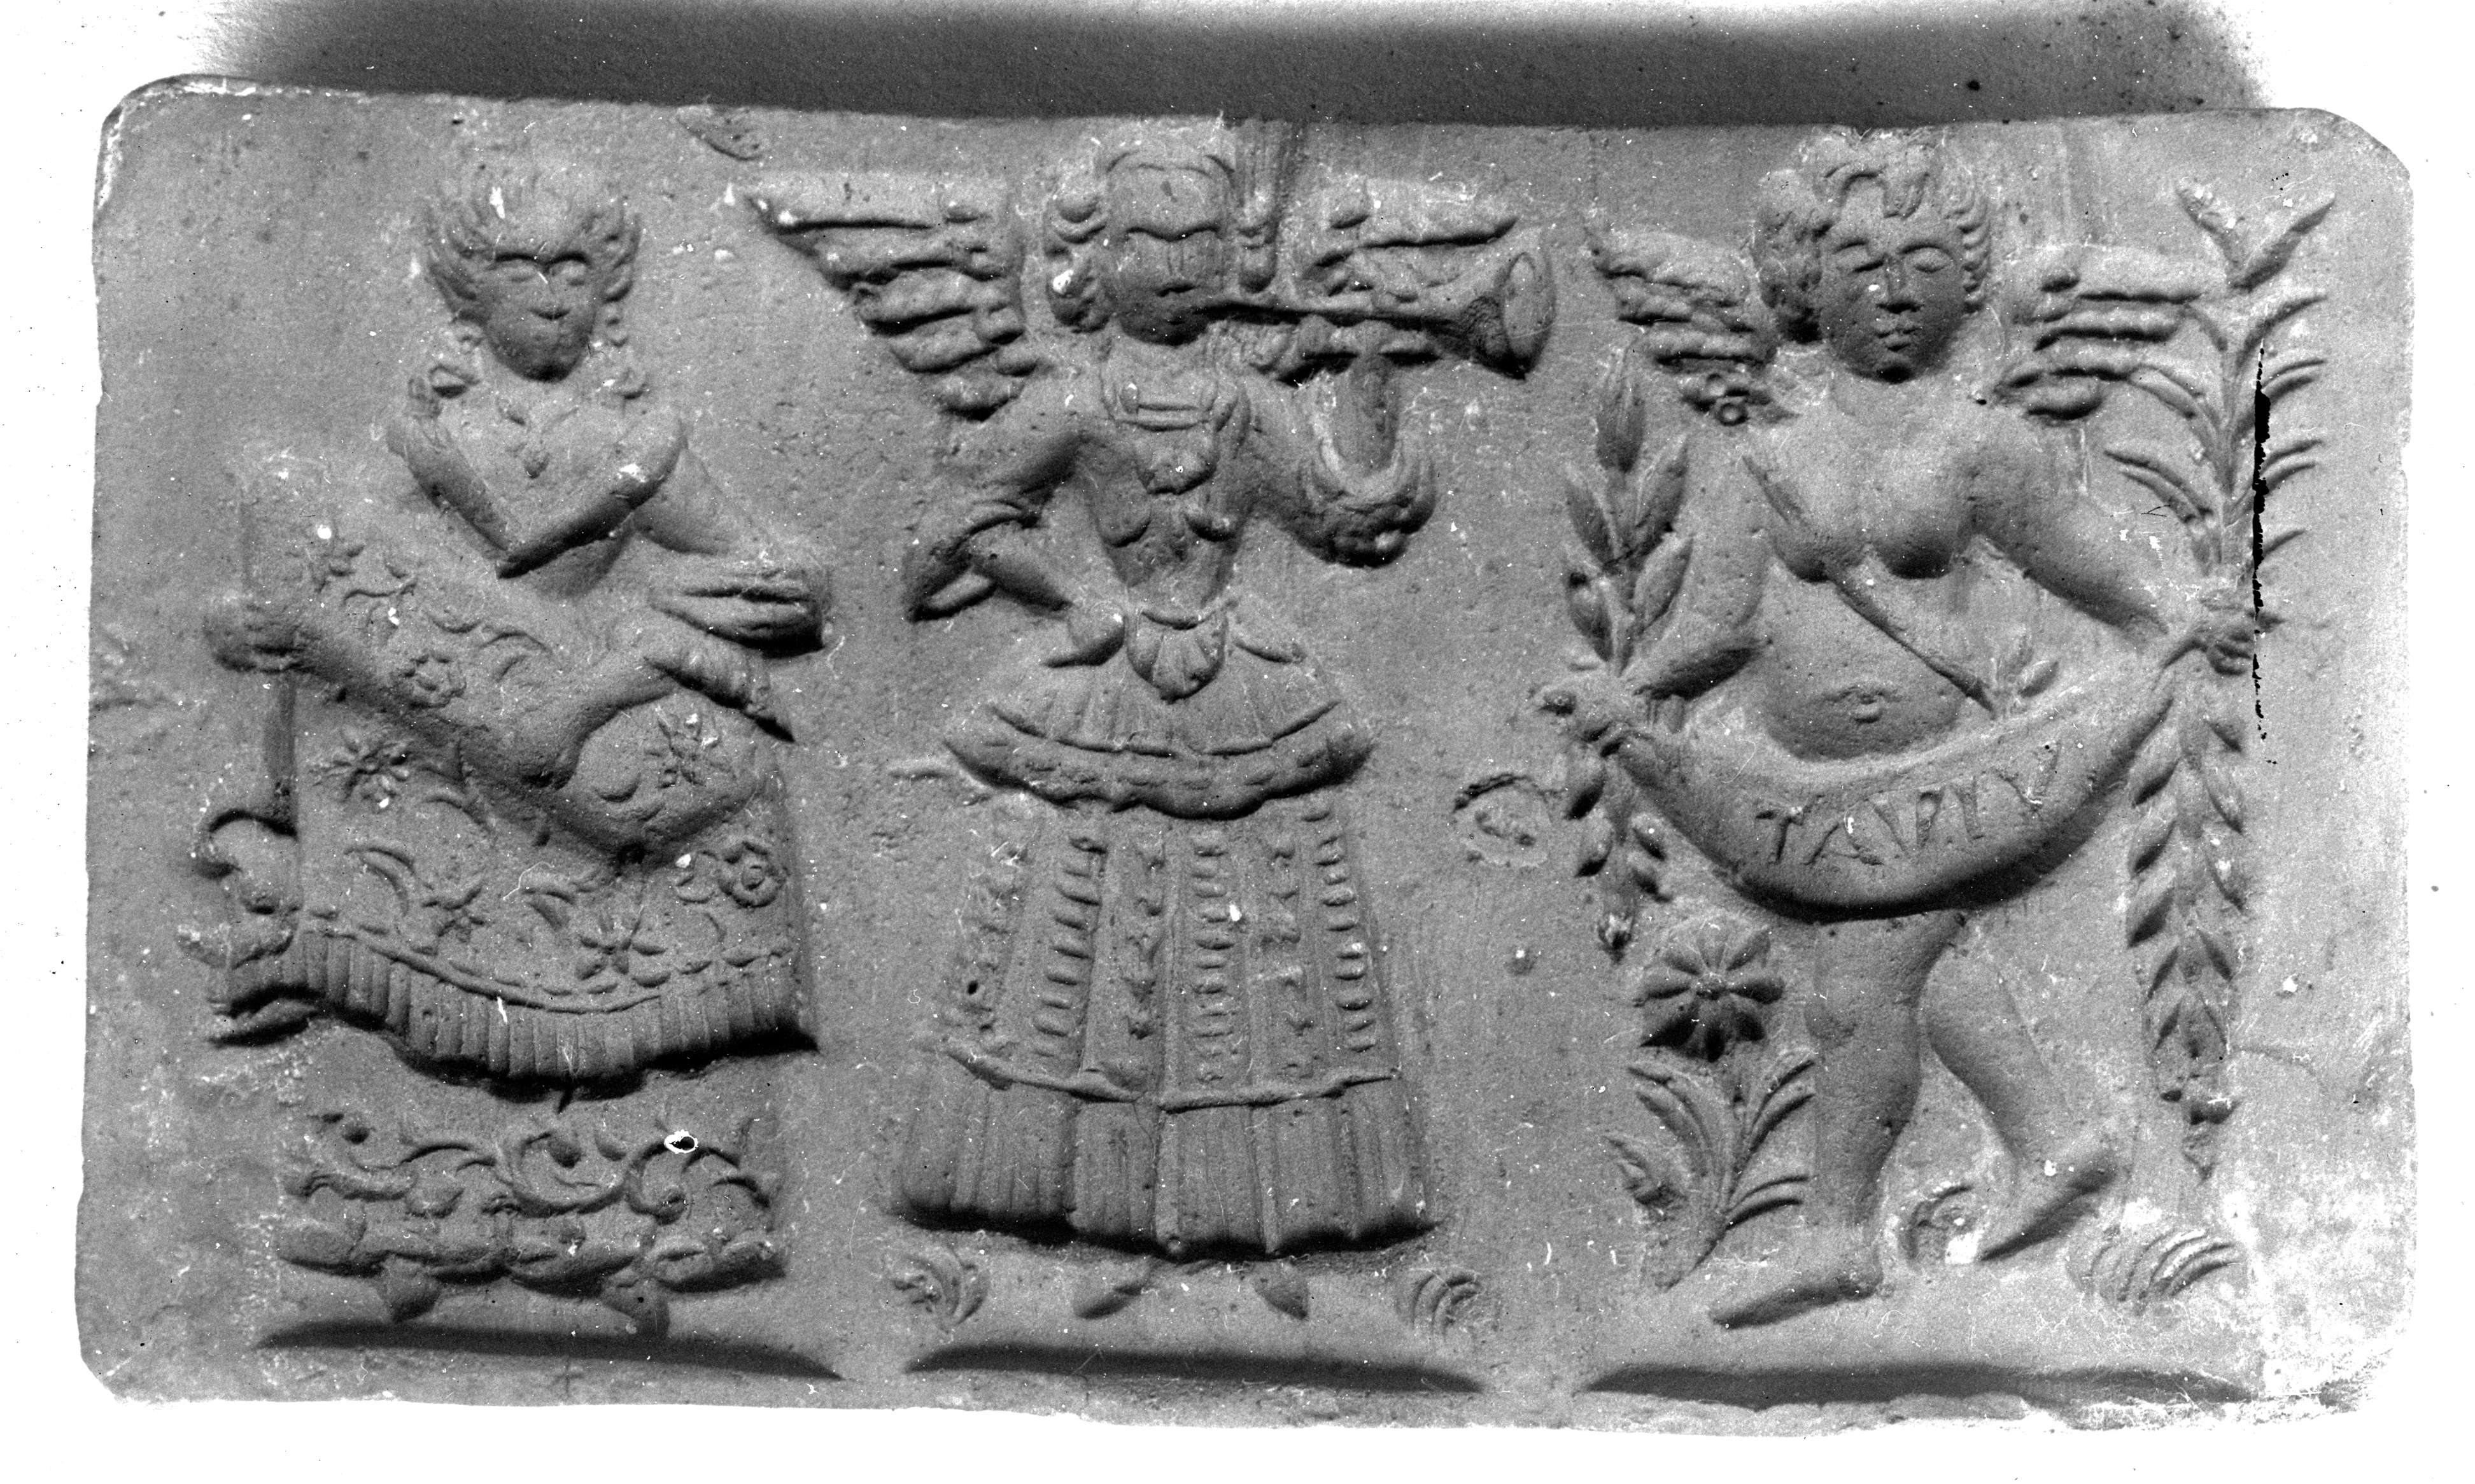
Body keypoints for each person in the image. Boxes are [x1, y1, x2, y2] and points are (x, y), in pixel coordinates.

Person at [1602, 131, 2249, 1326]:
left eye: (1924, 266)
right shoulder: (1770, 459)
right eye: (1859, 264)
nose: (1893, 292)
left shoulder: (1979, 445)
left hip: (1954, 780)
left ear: (1969, 283)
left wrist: (2175, 611)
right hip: (1815, 789)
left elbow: (2083, 559)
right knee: (1926, 967)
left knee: (1858, 988)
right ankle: (2057, 1140)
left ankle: (1838, 1236)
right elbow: (1724, 624)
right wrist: (1633, 689)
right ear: (1804, 286)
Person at [891, 127, 1434, 1256]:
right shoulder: (1077, 404)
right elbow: (948, 534)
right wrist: (1063, 599)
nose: (1178, 265)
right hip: (1108, 687)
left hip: (1240, 685)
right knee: (1076, 945)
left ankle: (1266, 1216)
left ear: (1237, 255)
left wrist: (1374, 384)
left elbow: (1337, 522)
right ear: (1094, 258)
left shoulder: (1249, 406)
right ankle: (1074, 1209)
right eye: (1150, 240)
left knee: (1268, 955)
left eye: (1200, 242)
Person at [197, 161, 826, 1083]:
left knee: (715, 781)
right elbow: (328, 566)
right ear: (470, 287)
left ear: (605, 289)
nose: (550, 294)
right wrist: (239, 622)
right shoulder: (431, 439)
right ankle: (325, 937)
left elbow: (783, 576)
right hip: (453, 720)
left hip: (589, 708)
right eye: (520, 267)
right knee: (343, 677)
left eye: (572, 269)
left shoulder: (632, 447)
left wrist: (669, 604)